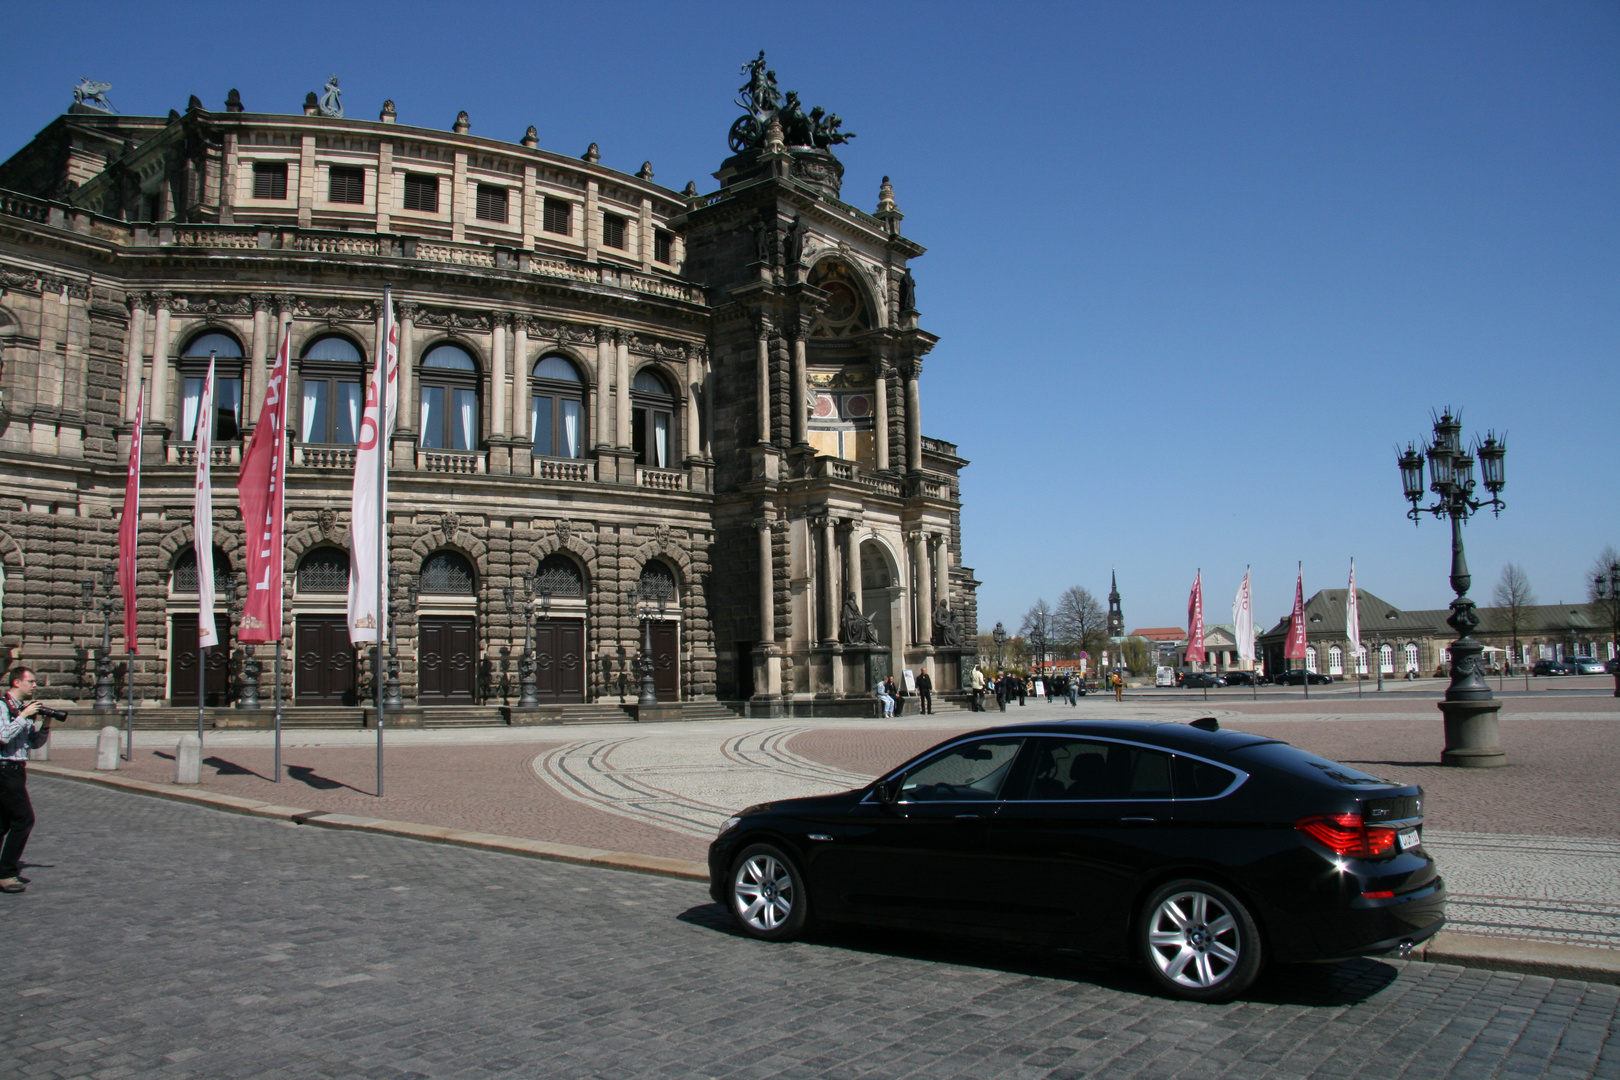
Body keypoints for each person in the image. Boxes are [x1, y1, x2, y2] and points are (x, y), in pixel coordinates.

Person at [0, 667, 52, 894]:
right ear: (16, 682)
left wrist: (46, 724)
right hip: (5, 770)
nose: (34, 686)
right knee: (24, 820)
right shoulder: (2, 706)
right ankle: (7, 873)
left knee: (2, 823)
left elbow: (33, 743)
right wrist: (23, 717)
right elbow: (2, 736)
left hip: (17, 770)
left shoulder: (24, 709)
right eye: (30, 681)